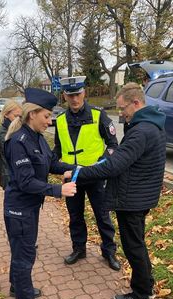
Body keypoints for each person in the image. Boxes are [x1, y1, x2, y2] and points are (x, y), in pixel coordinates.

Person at [66, 82, 166, 299]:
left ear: (136, 103)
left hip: (133, 198)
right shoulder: (151, 125)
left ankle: (140, 296)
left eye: (123, 109)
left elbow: (114, 166)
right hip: (142, 194)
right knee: (137, 243)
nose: (120, 114)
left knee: (133, 247)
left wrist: (79, 172)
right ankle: (147, 286)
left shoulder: (141, 131)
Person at [3, 88, 77, 299]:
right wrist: (57, 190)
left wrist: (72, 168)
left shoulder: (38, 138)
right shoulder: (18, 141)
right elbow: (26, 182)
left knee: (21, 250)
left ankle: (18, 287)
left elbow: (51, 163)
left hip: (30, 207)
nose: (50, 120)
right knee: (25, 253)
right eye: (46, 116)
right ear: (32, 114)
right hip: (19, 208)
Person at [54, 76, 121, 271]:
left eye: (78, 94)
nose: (74, 99)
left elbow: (112, 146)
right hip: (72, 177)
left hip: (94, 176)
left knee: (102, 215)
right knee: (75, 216)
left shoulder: (98, 115)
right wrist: (51, 164)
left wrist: (102, 163)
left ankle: (109, 252)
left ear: (84, 93)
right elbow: (58, 149)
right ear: (64, 95)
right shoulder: (59, 120)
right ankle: (79, 249)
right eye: (70, 95)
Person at [0, 100, 22, 190]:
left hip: (17, 175)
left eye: (20, 116)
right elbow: (11, 152)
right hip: (9, 177)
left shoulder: (16, 129)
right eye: (15, 116)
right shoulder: (3, 132)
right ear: (6, 114)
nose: (18, 119)